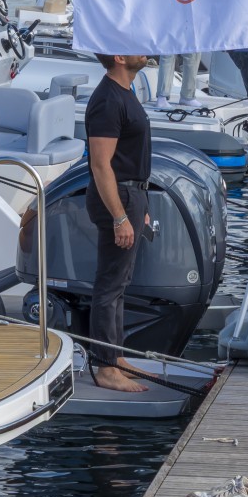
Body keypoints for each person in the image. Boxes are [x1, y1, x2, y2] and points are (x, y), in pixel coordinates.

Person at [84, 52, 154, 393]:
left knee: (120, 283)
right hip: (118, 199)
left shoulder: (126, 91)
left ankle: (116, 356)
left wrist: (141, 205)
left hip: (131, 195)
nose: (144, 48)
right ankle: (105, 366)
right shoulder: (108, 100)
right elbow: (101, 165)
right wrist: (120, 216)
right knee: (109, 284)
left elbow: (131, 155)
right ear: (119, 56)